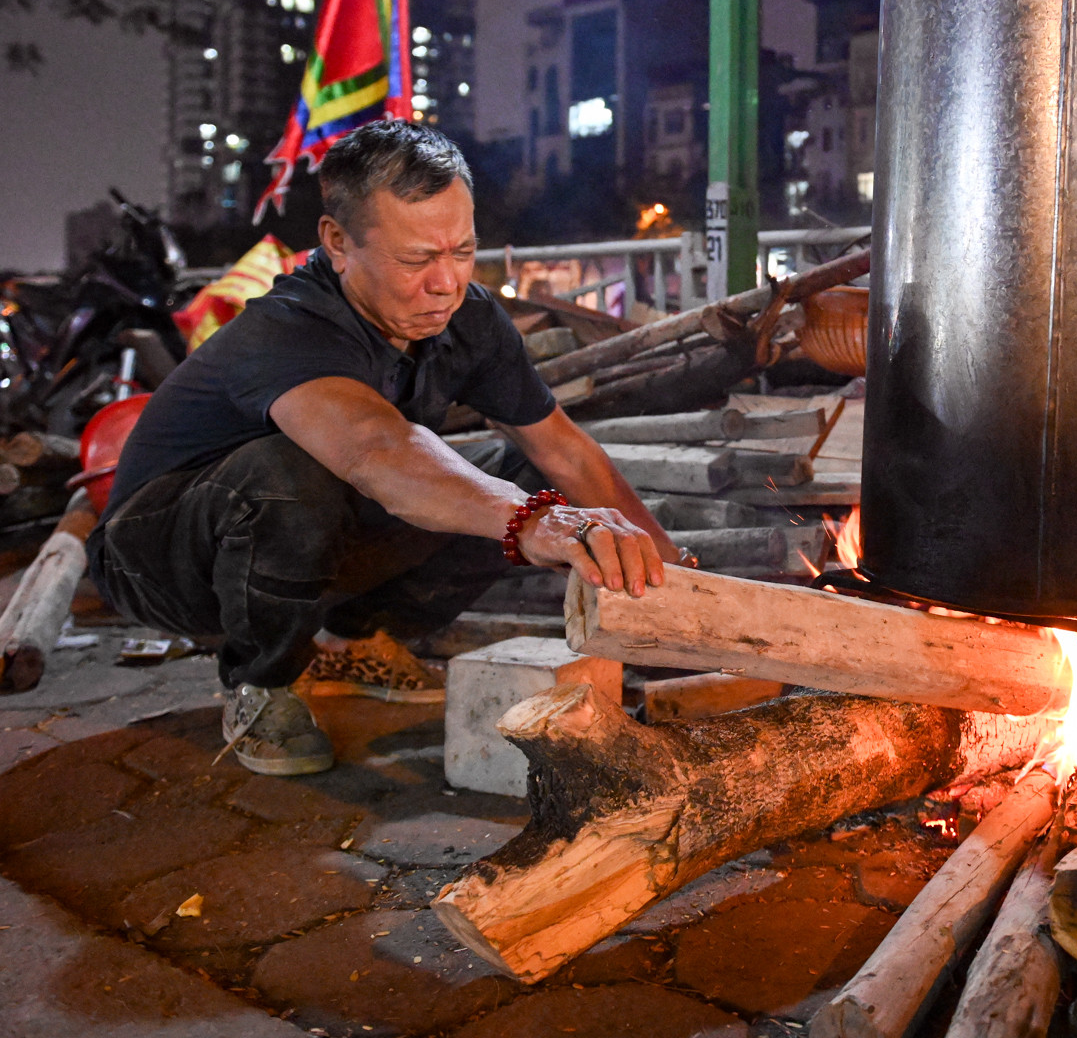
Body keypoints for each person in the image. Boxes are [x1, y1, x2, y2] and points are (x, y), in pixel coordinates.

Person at [87, 119, 680, 776]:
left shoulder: (470, 321)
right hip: (161, 559)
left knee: (528, 471)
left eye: (462, 250)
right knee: (290, 472)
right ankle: (262, 681)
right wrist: (533, 519)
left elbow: (566, 453)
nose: (446, 282)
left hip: (306, 534)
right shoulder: (287, 328)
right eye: (416, 259)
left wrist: (678, 584)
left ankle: (354, 642)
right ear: (338, 243)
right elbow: (379, 450)